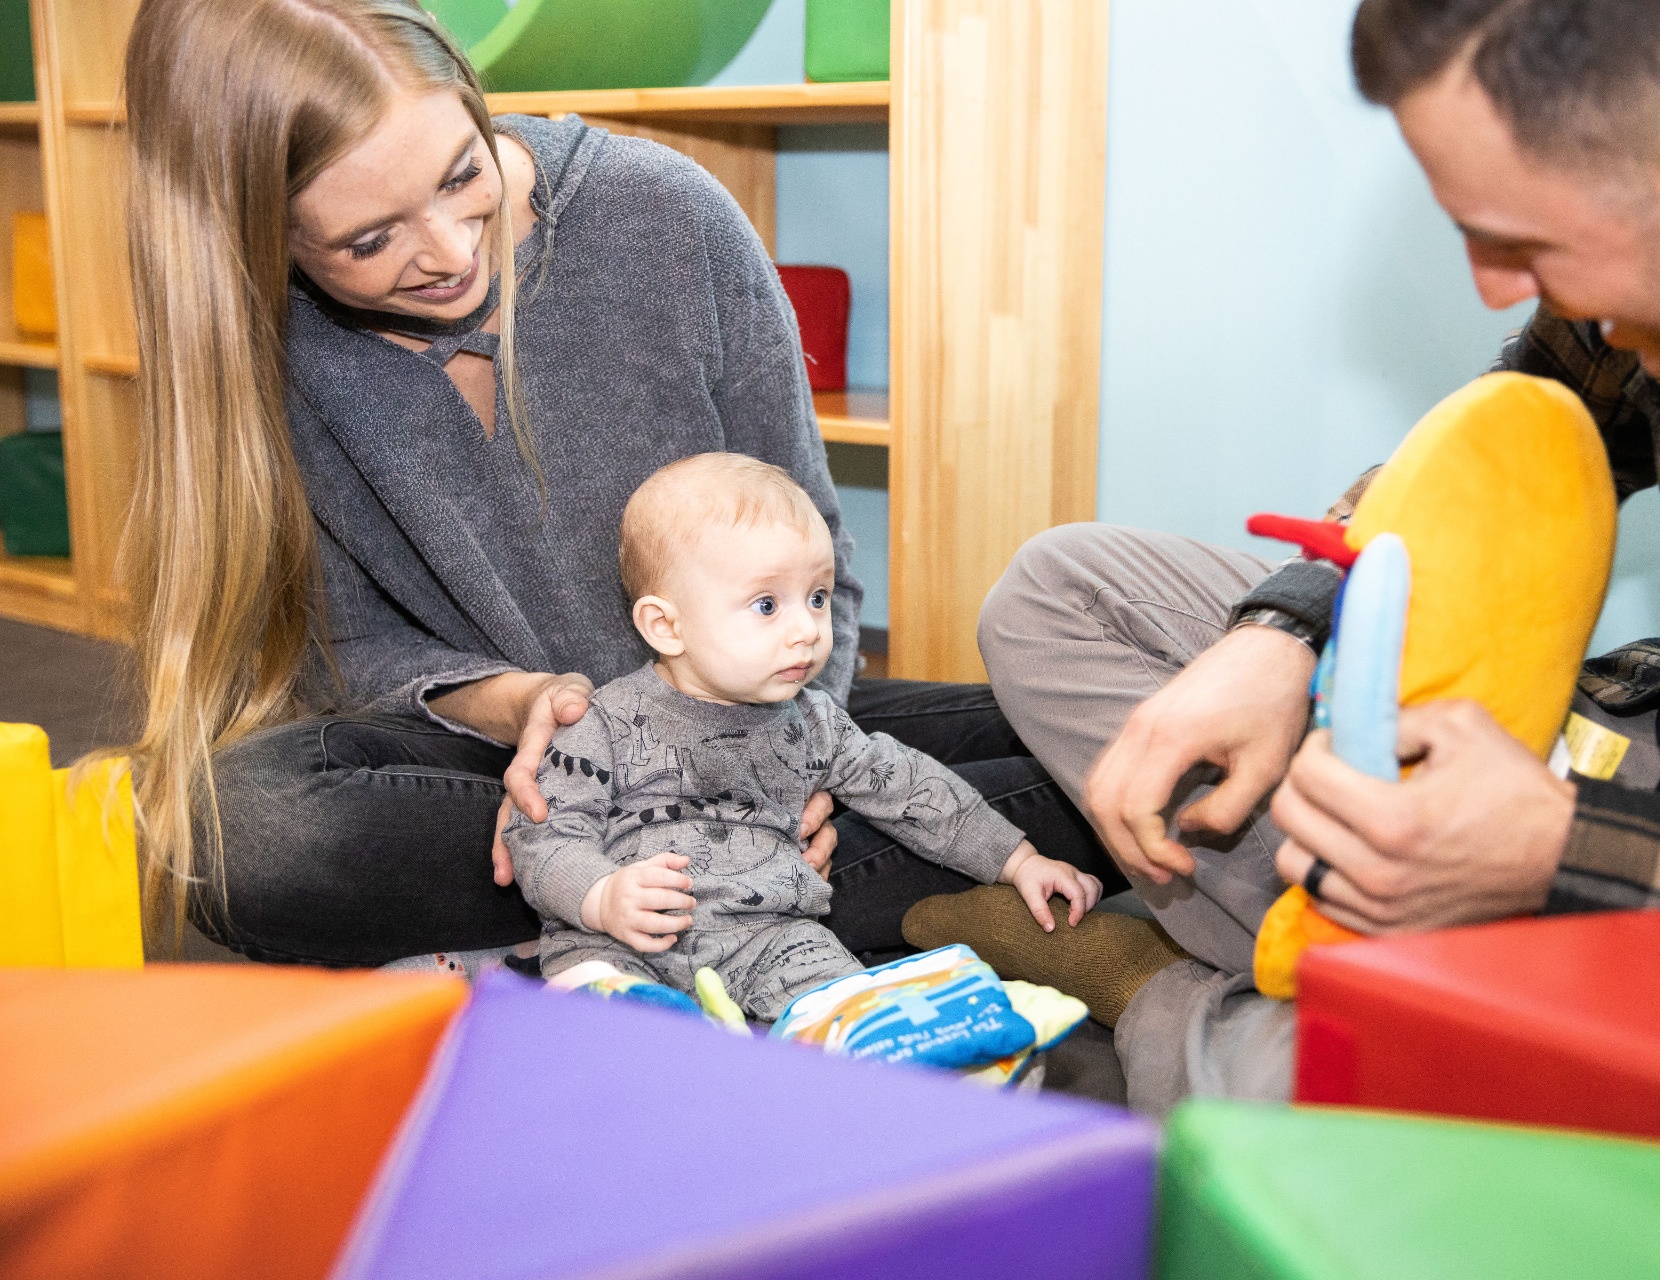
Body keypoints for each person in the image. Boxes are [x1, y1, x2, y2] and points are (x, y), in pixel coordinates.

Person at [980, 0, 1660, 1113]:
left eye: (1527, 242)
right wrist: (1293, 623)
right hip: (1638, 742)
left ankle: (1165, 999)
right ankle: (1378, 974)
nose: (1495, 287)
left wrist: (1563, 850)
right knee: (1060, 585)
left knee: (1331, 1116)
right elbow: (1495, 448)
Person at [119, 0, 1113, 968]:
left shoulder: (668, 215)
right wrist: (521, 704)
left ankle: (613, 921)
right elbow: (356, 650)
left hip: (757, 712)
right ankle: (716, 905)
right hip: (531, 779)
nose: (453, 251)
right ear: (263, 240)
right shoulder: (267, 342)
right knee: (230, 827)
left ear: (471, 100)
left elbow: (815, 555)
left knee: (1123, 739)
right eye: (370, 241)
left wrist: (795, 770)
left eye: (462, 174)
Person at [505, 455, 1102, 1020]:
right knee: (589, 991)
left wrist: (1018, 860)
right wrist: (602, 894)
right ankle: (663, 1042)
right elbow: (541, 835)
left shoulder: (814, 722)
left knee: (844, 1002)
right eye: (767, 604)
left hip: (772, 935)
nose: (807, 630)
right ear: (666, 625)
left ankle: (897, 1057)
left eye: (816, 598)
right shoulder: (599, 723)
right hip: (619, 938)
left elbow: (911, 789)